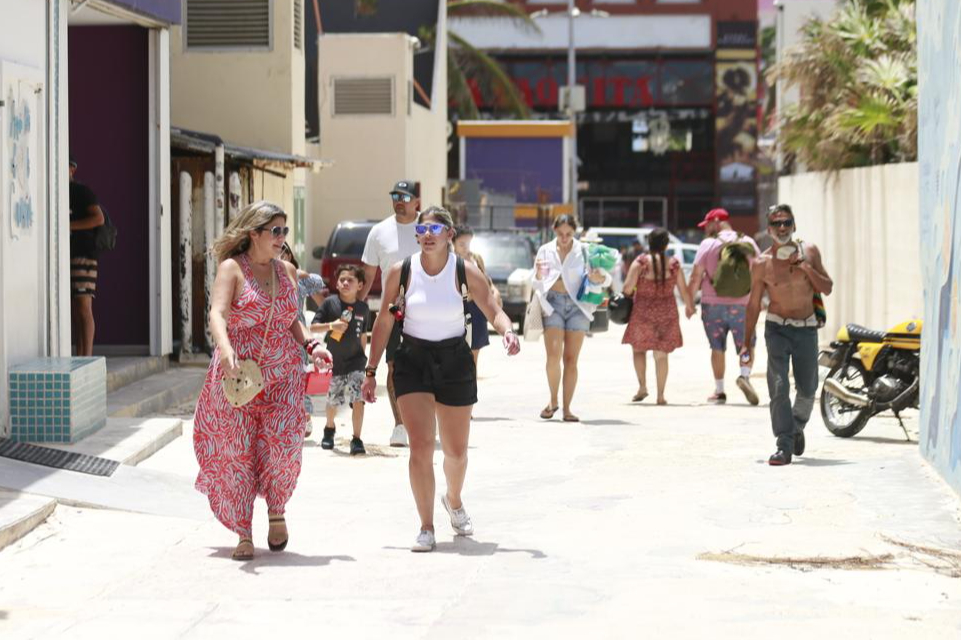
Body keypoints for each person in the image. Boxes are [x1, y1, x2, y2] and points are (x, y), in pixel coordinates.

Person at [361, 206, 520, 552]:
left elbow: (493, 310)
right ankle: (426, 526)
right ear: (417, 235)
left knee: (456, 452)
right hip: (412, 360)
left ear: (449, 234)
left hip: (454, 360)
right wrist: (371, 371)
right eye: (422, 228)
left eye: (435, 228)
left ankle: (455, 499)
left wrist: (507, 332)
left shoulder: (465, 270)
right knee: (420, 446)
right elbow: (384, 323)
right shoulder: (400, 271)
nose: (428, 234)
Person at [193, 201, 332, 561]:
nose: (282, 238)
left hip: (282, 373)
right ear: (253, 233)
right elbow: (217, 313)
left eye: (285, 231)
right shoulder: (232, 269)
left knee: (284, 445)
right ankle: (243, 531)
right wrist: (224, 351)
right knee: (237, 452)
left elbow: (290, 318)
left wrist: (312, 345)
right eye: (275, 231)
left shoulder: (285, 270)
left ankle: (277, 508)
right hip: (239, 375)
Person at [742, 204, 833, 466]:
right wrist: (746, 343)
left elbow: (827, 287)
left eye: (787, 222)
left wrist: (806, 268)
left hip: (806, 328)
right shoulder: (761, 264)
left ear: (794, 226)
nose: (782, 228)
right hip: (777, 328)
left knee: (808, 388)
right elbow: (753, 304)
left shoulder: (810, 252)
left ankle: (796, 427)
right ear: (768, 229)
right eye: (777, 223)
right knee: (779, 387)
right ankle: (784, 443)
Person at [532, 215, 611, 422]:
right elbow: (536, 282)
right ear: (554, 230)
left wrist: (598, 278)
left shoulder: (585, 251)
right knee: (553, 356)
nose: (564, 238)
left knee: (570, 360)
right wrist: (539, 276)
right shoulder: (545, 250)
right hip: (554, 304)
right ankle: (553, 400)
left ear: (575, 231)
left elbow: (606, 277)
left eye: (568, 233)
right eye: (560, 234)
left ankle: (567, 409)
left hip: (578, 306)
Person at [360, 180, 421, 447]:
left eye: (405, 196)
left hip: (426, 310)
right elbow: (368, 275)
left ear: (416, 202)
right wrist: (355, 310)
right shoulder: (379, 232)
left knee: (426, 368)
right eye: (395, 195)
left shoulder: (428, 228)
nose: (399, 200)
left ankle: (423, 419)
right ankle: (399, 425)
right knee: (394, 367)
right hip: (392, 312)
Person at [688, 208, 761, 405]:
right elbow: (760, 273)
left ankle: (719, 391)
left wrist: (688, 303)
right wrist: (759, 300)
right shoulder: (748, 242)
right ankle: (744, 375)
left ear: (716, 222)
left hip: (712, 305)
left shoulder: (708, 244)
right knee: (747, 344)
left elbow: (696, 276)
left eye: (707, 225)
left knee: (717, 347)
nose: (705, 230)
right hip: (743, 304)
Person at [622, 228, 696, 405]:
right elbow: (683, 290)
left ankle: (642, 387)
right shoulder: (674, 264)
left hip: (643, 311)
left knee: (639, 349)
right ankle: (661, 395)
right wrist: (690, 306)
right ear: (666, 244)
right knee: (661, 355)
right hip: (667, 312)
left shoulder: (641, 262)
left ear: (649, 242)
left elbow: (627, 288)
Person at [311, 265, 369, 456]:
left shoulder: (363, 308)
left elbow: (363, 335)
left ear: (359, 285)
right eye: (342, 279)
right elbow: (313, 328)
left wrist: (364, 357)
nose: (345, 283)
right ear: (336, 283)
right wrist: (331, 325)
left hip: (357, 362)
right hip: (335, 361)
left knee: (358, 398)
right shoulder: (330, 304)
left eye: (350, 280)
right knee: (333, 400)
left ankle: (357, 438)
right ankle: (329, 429)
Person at [280, 242, 326, 437]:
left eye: (285, 252)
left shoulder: (298, 280)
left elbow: (319, 282)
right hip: (276, 336)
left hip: (298, 335)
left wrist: (298, 272)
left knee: (299, 375)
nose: (281, 256)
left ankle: (305, 416)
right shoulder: (265, 277)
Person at [68, 156, 105, 357]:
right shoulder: (57, 192)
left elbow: (98, 218)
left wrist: (69, 226)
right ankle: (80, 356)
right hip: (67, 256)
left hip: (84, 255)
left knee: (83, 306)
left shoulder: (81, 192)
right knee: (75, 309)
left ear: (72, 170)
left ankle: (87, 357)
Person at [452, 225, 500, 370]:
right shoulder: (449, 262)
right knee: (456, 354)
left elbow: (486, 280)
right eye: (462, 244)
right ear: (453, 243)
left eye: (468, 243)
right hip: (457, 311)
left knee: (474, 355)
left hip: (477, 311)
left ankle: (471, 389)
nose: (466, 247)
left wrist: (494, 292)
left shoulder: (476, 258)